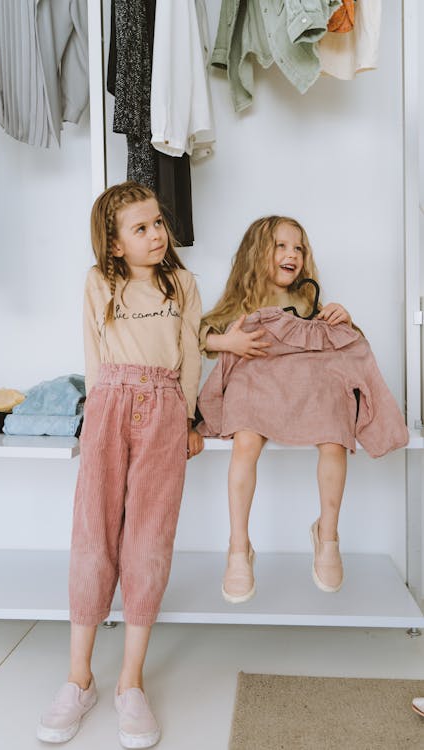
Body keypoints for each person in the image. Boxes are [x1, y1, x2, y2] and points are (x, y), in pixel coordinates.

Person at [37, 181, 204, 748]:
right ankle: (78, 678)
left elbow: (189, 357)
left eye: (158, 223)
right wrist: (96, 420)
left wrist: (187, 420)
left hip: (164, 410)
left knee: (149, 540)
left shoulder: (181, 285)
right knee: (93, 536)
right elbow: (92, 353)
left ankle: (129, 682)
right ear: (113, 245)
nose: (157, 234)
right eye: (142, 228)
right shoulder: (98, 283)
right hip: (108, 405)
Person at [197, 215, 355, 604]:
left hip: (302, 395)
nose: (292, 255)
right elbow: (199, 335)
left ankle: (328, 535)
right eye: (281, 246)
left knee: (335, 437)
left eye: (298, 248)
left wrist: (343, 319)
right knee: (246, 443)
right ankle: (238, 547)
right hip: (257, 395)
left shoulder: (307, 300)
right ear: (258, 254)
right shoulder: (242, 301)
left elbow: (338, 348)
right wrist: (227, 343)